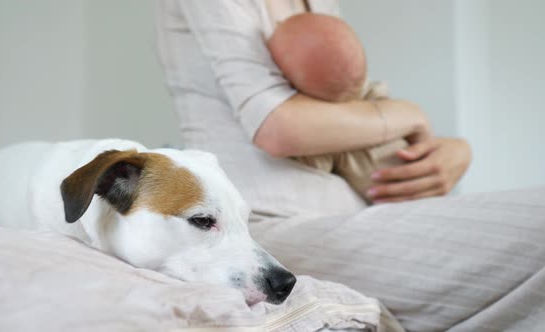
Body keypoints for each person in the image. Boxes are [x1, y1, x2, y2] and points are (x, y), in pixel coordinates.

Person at [154, 1, 545, 331]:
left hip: (359, 213)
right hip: (268, 227)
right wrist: (412, 116)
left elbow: (345, 99)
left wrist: (456, 150)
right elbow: (277, 126)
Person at [267, 12, 409, 202]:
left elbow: (315, 164)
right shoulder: (374, 96)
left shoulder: (330, 135)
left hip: (402, 194)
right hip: (417, 166)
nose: (277, 22)